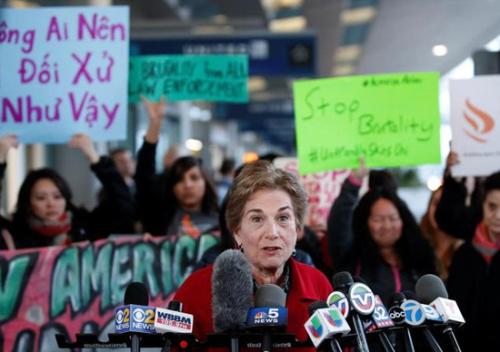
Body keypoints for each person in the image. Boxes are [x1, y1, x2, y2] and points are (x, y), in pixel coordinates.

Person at [173, 160, 333, 344]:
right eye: (257, 219)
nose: (272, 233)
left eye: (283, 218)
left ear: (297, 230)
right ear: (237, 232)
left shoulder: (318, 285)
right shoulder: (196, 290)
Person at [328, 158, 436, 303]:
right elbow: (339, 224)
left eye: (392, 218)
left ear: (403, 220)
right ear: (364, 223)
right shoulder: (352, 257)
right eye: (378, 219)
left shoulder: (418, 256)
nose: (386, 225)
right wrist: (353, 183)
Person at [0, 134, 135, 248]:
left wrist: (94, 156)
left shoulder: (84, 227)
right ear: (28, 202)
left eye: (57, 196)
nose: (51, 204)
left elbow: (123, 205)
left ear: (66, 199)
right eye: (41, 198)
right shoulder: (13, 235)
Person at [435, 153, 500, 350]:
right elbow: (446, 215)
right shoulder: (465, 252)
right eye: (492, 206)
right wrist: (454, 174)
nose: (498, 215)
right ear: (482, 205)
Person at [135, 97, 219, 236]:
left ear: (206, 182)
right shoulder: (161, 219)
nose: (187, 185)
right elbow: (144, 175)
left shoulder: (226, 219)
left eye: (194, 177)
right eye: (179, 180)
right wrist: (155, 125)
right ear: (172, 188)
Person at [420, 186, 463, 280]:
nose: (439, 210)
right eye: (435, 203)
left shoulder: (466, 251)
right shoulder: (417, 244)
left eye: (446, 204)